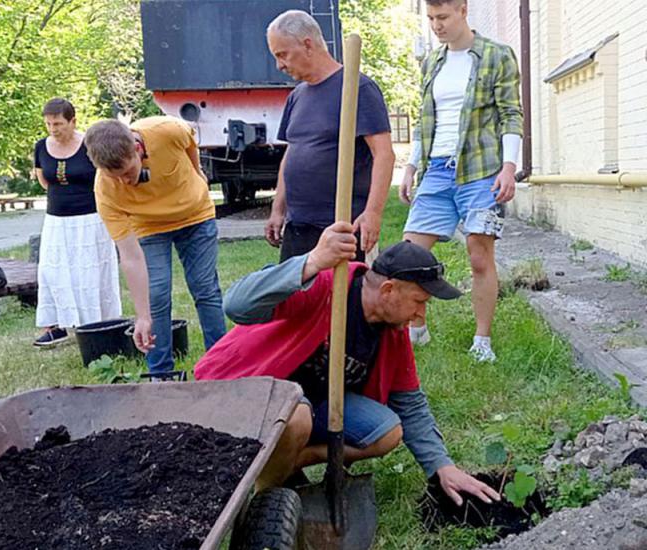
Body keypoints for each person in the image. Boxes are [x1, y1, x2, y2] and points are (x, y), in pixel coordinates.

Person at [195, 223, 500, 505]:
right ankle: (265, 500)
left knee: (387, 432)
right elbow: (236, 305)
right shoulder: (327, 287)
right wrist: (312, 261)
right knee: (296, 415)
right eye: (419, 301)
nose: (421, 315)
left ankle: (287, 461)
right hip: (248, 392)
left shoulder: (393, 332)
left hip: (315, 406)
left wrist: (441, 466)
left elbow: (410, 404)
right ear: (388, 290)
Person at [399, 0, 523, 362]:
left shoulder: (496, 55)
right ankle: (416, 329)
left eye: (443, 17)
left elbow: (511, 115)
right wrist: (411, 166)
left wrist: (509, 167)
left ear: (463, 10)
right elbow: (424, 119)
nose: (436, 26)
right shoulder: (432, 62)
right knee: (410, 254)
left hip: (481, 171)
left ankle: (482, 342)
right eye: (431, 19)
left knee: (479, 257)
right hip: (436, 171)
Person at [84, 116, 226, 374]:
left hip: (196, 216)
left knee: (205, 289)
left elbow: (190, 143)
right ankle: (160, 374)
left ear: (137, 149)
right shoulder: (104, 191)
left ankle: (221, 364)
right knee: (156, 295)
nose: (125, 182)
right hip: (149, 226)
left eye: (128, 172)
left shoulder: (166, 131)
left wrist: (198, 173)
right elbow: (129, 257)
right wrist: (142, 316)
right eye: (116, 177)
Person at [264, 10, 396, 262]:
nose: (279, 65)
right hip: (298, 227)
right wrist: (278, 209)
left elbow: (384, 155)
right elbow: (291, 154)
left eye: (282, 54)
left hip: (340, 228)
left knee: (342, 300)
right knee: (297, 300)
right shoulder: (297, 96)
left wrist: (373, 213)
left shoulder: (357, 88)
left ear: (307, 44)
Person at [32, 98, 122, 347]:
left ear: (73, 121)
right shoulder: (41, 147)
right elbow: (44, 180)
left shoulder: (90, 145)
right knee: (52, 270)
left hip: (91, 218)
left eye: (58, 123)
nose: (53, 129)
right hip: (57, 220)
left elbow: (106, 177)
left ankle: (99, 323)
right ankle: (56, 325)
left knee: (91, 270)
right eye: (48, 124)